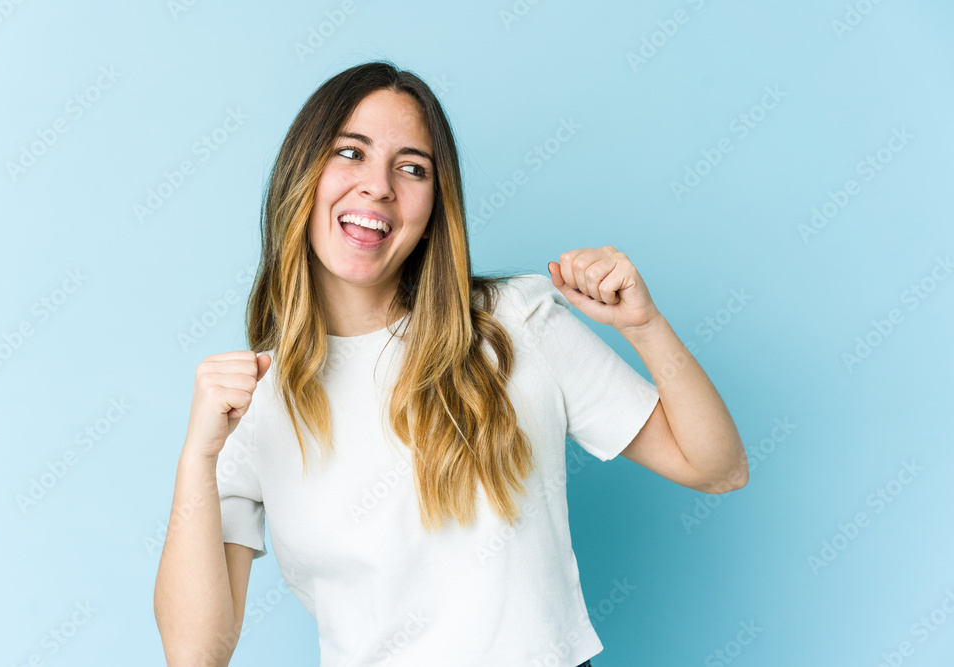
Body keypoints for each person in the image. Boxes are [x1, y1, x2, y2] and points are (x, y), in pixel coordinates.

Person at [153, 60, 748, 667]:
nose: (378, 186)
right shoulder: (252, 402)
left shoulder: (514, 323)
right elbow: (196, 654)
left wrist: (644, 328)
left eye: (411, 168)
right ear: (301, 175)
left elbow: (717, 467)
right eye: (350, 153)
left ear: (434, 206)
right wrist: (198, 456)